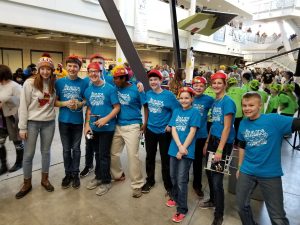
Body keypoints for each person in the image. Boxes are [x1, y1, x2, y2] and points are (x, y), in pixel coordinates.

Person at [236, 92, 295, 225]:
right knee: (241, 206)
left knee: (277, 217)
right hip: (247, 170)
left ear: (260, 106)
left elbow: (296, 123)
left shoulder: (274, 120)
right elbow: (242, 144)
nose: (247, 108)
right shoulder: (243, 123)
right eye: (244, 105)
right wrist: (240, 166)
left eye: (251, 105)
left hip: (270, 173)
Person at [15, 53, 56, 199]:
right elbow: (23, 106)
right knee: (28, 154)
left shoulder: (53, 83)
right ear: (38, 69)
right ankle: (27, 183)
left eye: (48, 69)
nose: (45, 71)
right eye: (42, 69)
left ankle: (45, 180)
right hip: (32, 123)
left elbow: (54, 102)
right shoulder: (29, 83)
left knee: (46, 152)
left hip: (49, 122)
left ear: (52, 70)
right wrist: (22, 127)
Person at [200, 72, 236, 225]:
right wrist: (208, 142)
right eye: (214, 83)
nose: (216, 85)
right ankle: (213, 201)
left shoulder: (228, 102)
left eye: (219, 83)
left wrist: (220, 150)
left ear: (225, 84)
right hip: (213, 141)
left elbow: (227, 128)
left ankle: (219, 214)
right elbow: (214, 124)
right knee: (209, 172)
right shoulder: (216, 101)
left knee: (217, 180)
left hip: (223, 144)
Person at [84, 62, 120, 196]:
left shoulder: (110, 89)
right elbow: (89, 109)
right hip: (93, 128)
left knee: (104, 155)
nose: (93, 74)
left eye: (96, 71)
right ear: (88, 73)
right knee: (97, 153)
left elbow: (117, 107)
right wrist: (87, 125)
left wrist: (106, 119)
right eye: (91, 71)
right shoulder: (88, 90)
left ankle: (106, 181)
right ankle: (98, 177)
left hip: (107, 128)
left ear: (101, 73)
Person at [110, 65, 146, 198]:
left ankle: (137, 185)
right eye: (114, 78)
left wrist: (145, 124)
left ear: (125, 78)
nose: (115, 80)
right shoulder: (114, 87)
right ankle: (118, 175)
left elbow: (146, 106)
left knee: (133, 156)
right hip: (118, 125)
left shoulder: (136, 89)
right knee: (113, 154)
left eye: (118, 78)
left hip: (133, 126)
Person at [166, 86, 200, 223]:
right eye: (181, 98)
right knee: (173, 176)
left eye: (187, 98)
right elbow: (173, 129)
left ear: (192, 99)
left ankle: (182, 209)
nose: (184, 100)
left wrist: (183, 148)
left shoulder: (195, 112)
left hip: (187, 151)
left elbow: (192, 132)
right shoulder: (176, 111)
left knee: (181, 179)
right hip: (175, 148)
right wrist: (179, 147)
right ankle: (174, 197)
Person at [142, 69, 179, 195]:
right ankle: (150, 181)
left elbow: (176, 111)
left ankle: (168, 184)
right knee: (150, 157)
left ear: (161, 80)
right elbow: (145, 107)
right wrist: (145, 124)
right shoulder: (148, 94)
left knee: (165, 160)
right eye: (151, 80)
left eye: (155, 79)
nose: (153, 82)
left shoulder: (169, 96)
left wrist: (170, 124)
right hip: (151, 131)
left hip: (164, 132)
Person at [55, 55, 87, 189]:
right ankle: (67, 174)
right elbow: (54, 102)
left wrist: (80, 104)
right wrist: (65, 103)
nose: (72, 69)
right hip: (63, 121)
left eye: (75, 66)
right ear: (66, 66)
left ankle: (75, 174)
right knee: (66, 149)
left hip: (77, 121)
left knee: (76, 149)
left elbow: (86, 100)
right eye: (70, 66)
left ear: (79, 68)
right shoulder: (59, 82)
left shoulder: (84, 83)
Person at [191, 76, 214, 198]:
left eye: (201, 86)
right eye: (196, 85)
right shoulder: (188, 96)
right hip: (186, 135)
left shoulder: (209, 100)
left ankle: (197, 185)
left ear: (205, 87)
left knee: (198, 162)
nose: (198, 88)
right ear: (192, 85)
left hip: (201, 135)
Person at [0, 64, 23, 175]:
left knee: (17, 141)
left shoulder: (15, 86)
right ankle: (4, 165)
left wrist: (5, 102)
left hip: (13, 117)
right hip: (1, 119)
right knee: (0, 142)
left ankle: (19, 162)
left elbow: (21, 102)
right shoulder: (0, 85)